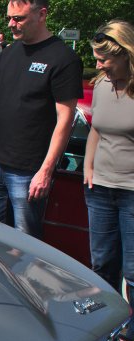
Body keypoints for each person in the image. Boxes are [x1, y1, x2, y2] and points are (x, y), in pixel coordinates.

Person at [0, 0, 82, 240]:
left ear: (42, 15)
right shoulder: (7, 54)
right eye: (9, 17)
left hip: (29, 172)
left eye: (18, 18)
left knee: (26, 245)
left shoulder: (63, 58)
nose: (11, 24)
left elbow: (65, 119)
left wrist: (46, 171)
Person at [83, 20, 134, 307]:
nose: (99, 66)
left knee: (133, 270)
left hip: (131, 191)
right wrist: (89, 168)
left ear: (125, 55)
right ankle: (110, 326)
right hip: (99, 188)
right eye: (97, 59)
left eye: (104, 60)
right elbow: (96, 130)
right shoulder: (102, 85)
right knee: (102, 263)